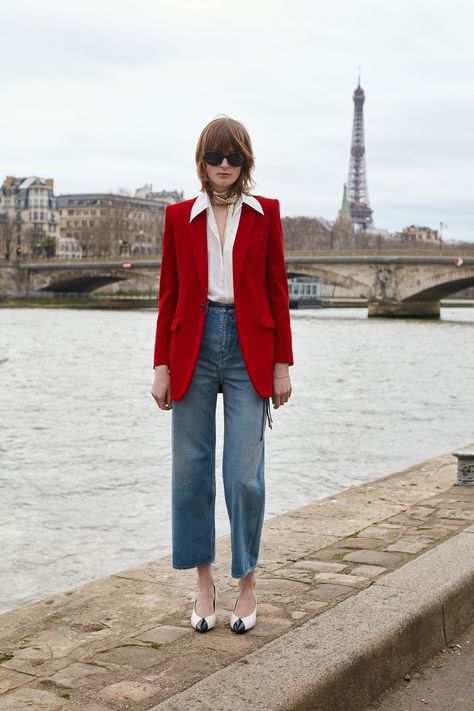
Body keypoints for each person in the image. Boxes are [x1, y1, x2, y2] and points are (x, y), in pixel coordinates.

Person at [151, 116, 293, 634]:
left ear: (246, 161)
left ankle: (247, 581)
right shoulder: (177, 217)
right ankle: (204, 584)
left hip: (249, 348)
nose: (225, 166)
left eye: (234, 157)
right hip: (191, 343)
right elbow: (168, 295)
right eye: (216, 157)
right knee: (191, 471)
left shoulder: (267, 214)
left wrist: (282, 365)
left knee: (243, 473)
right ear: (202, 163)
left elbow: (278, 291)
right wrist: (161, 365)